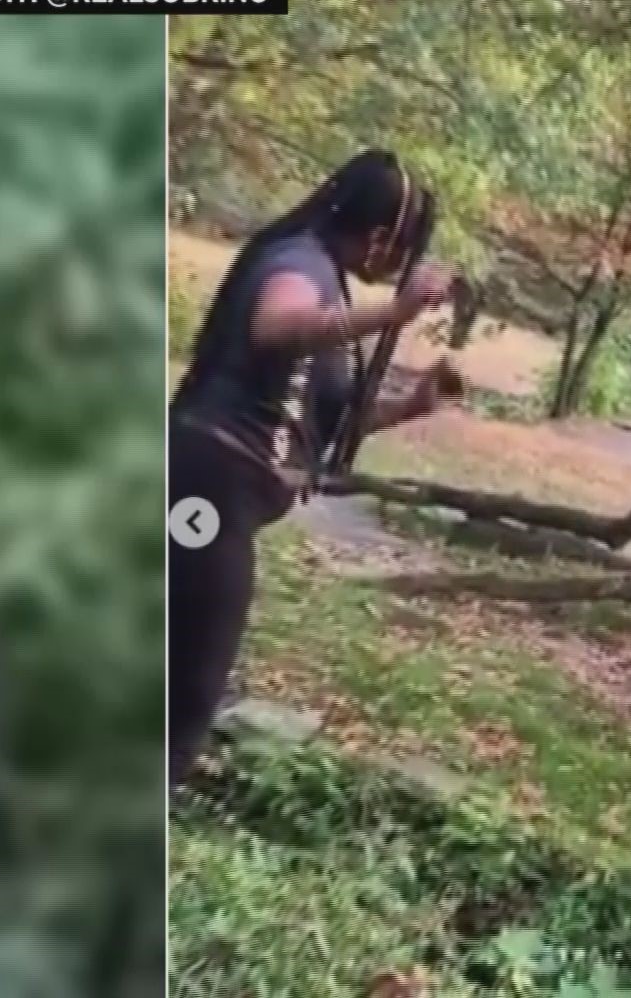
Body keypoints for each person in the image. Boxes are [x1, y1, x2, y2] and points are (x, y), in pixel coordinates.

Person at [167, 149, 456, 786]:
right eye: (401, 250)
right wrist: (395, 312)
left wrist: (410, 405)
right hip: (199, 496)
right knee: (193, 671)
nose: (398, 267)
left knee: (188, 651)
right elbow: (279, 326)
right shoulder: (301, 262)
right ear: (380, 237)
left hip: (210, 498)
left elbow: (317, 417)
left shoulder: (327, 277)